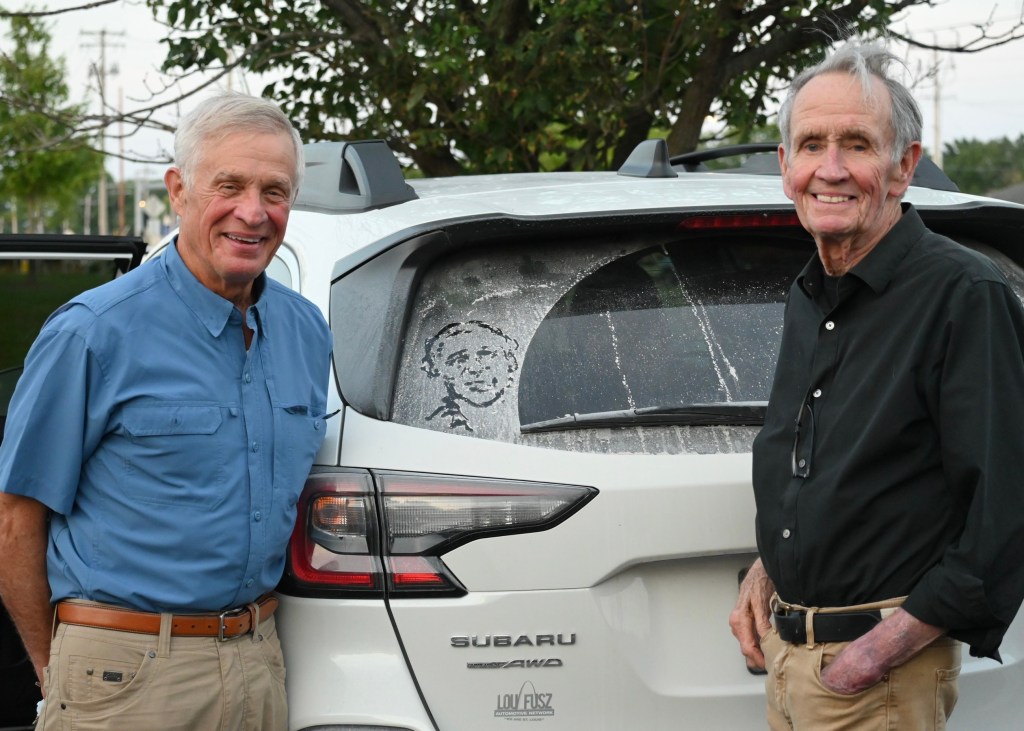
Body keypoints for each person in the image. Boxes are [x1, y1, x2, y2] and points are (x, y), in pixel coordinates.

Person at [0, 92, 332, 730]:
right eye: (228, 186)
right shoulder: (93, 332)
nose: (252, 212)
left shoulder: (306, 331)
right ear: (179, 191)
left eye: (274, 191)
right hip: (123, 675)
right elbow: (15, 518)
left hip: (260, 661)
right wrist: (55, 670)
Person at [729, 38, 1024, 729]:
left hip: (874, 678)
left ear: (903, 167)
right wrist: (768, 568)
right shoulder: (811, 292)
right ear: (786, 166)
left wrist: (879, 652)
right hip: (790, 662)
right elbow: (816, 461)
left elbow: (1007, 504)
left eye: (857, 144)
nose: (830, 169)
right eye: (812, 145)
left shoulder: (963, 294)